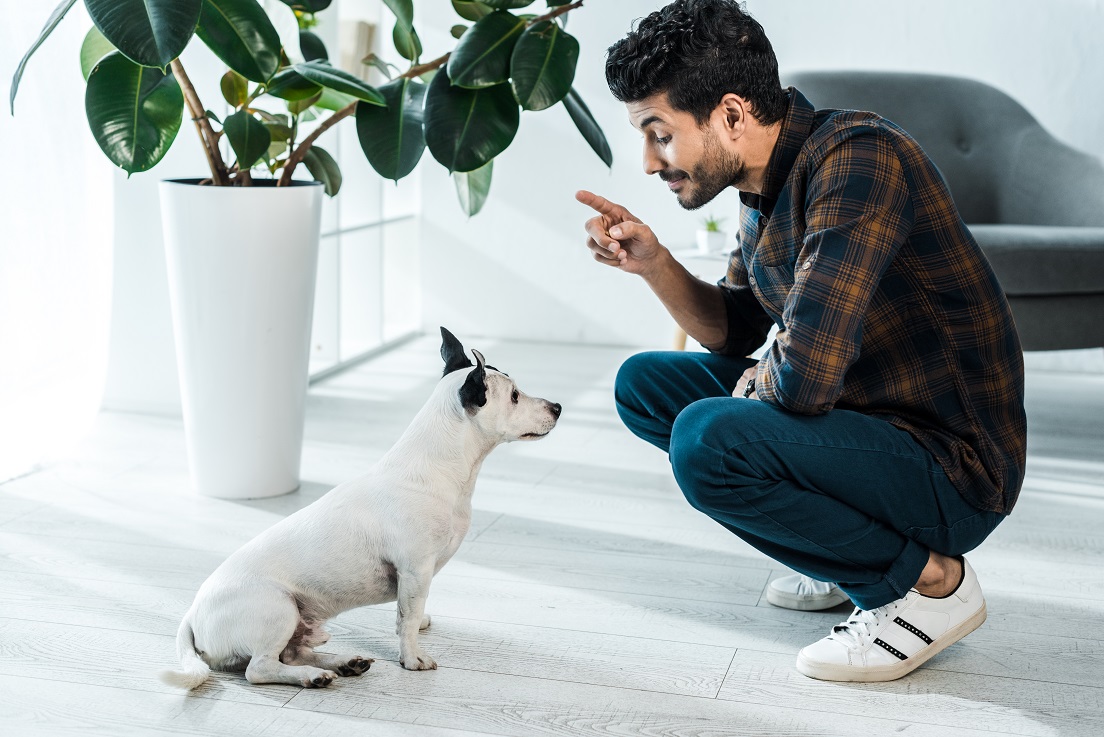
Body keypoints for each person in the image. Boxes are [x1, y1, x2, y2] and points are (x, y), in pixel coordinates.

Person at [577, 0, 1026, 683]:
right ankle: (839, 549)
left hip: (952, 467)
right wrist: (656, 264)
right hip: (866, 425)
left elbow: (803, 378)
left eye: (659, 134)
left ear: (732, 115)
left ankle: (927, 584)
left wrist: (754, 386)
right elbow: (736, 328)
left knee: (707, 439)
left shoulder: (860, 161)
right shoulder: (762, 186)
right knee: (645, 387)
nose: (647, 161)